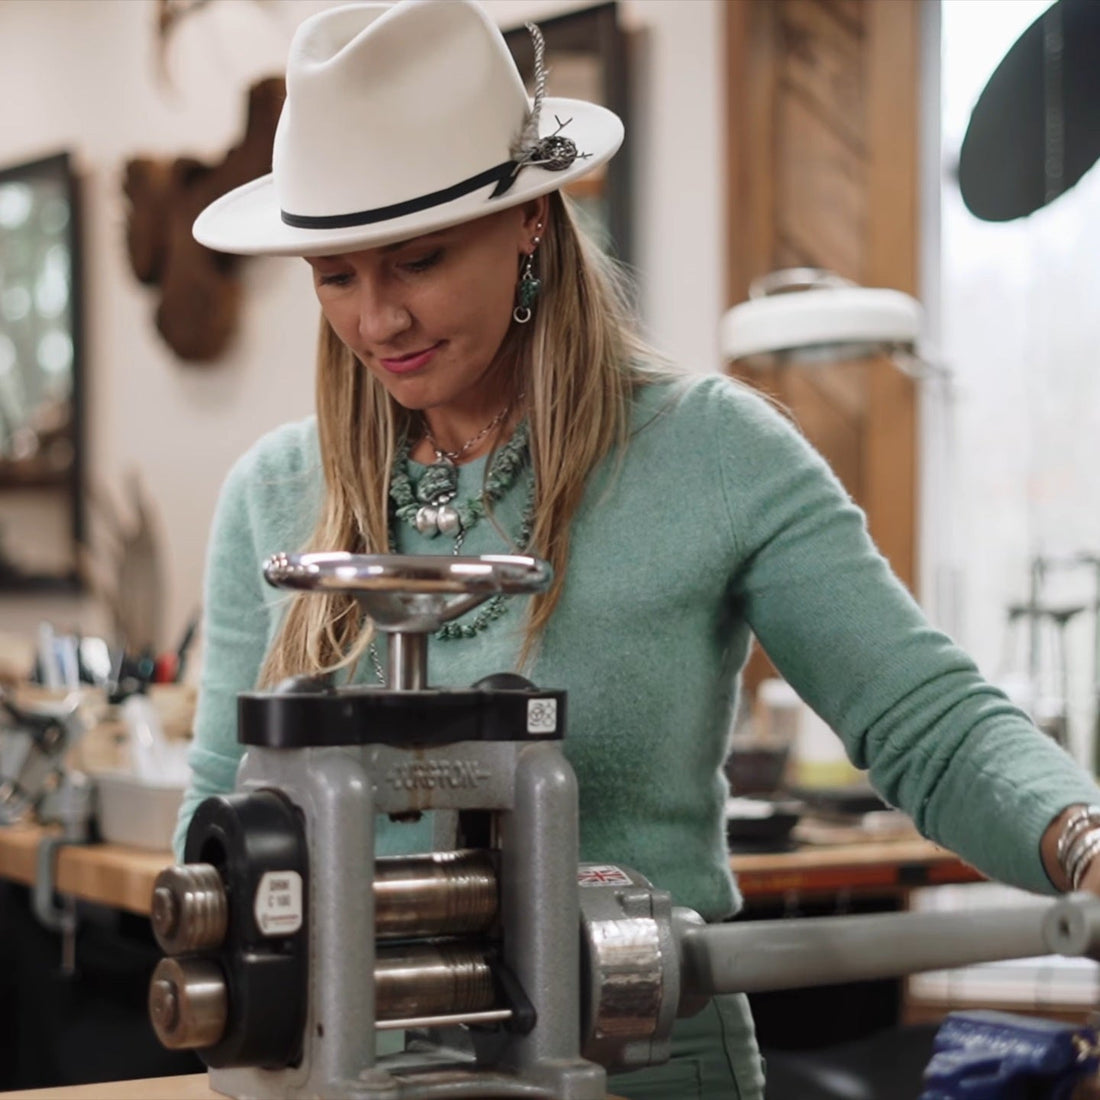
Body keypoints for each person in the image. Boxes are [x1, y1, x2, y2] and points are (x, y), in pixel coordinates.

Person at [176, 2, 1100, 1097]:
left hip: (645, 1064)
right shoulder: (270, 495)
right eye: (335, 275)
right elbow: (220, 806)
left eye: (416, 261)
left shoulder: (709, 452)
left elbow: (922, 722)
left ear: (529, 219)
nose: (375, 320)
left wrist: (1081, 842)